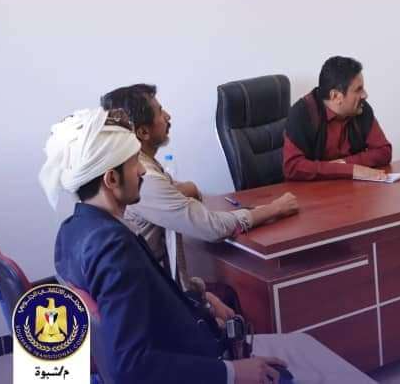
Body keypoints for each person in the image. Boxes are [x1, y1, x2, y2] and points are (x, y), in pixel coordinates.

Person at [43, 107, 288, 383]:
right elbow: (132, 365)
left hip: (186, 347)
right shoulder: (113, 248)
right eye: (134, 163)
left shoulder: (73, 230)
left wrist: (202, 301)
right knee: (307, 354)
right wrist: (232, 373)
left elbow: (146, 302)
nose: (141, 171)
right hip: (198, 366)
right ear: (111, 179)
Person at [101, 84, 298, 290]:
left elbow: (173, 190)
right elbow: (213, 228)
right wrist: (274, 209)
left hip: (163, 285)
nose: (168, 116)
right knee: (230, 294)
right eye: (160, 112)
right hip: (156, 293)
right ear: (143, 132)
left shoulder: (138, 167)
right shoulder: (146, 179)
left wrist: (187, 190)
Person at [283, 56, 392, 181]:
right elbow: (292, 167)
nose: (365, 95)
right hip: (314, 190)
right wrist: (352, 170)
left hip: (352, 188)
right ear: (335, 96)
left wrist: (345, 164)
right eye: (358, 90)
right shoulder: (303, 113)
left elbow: (384, 151)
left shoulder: (360, 108)